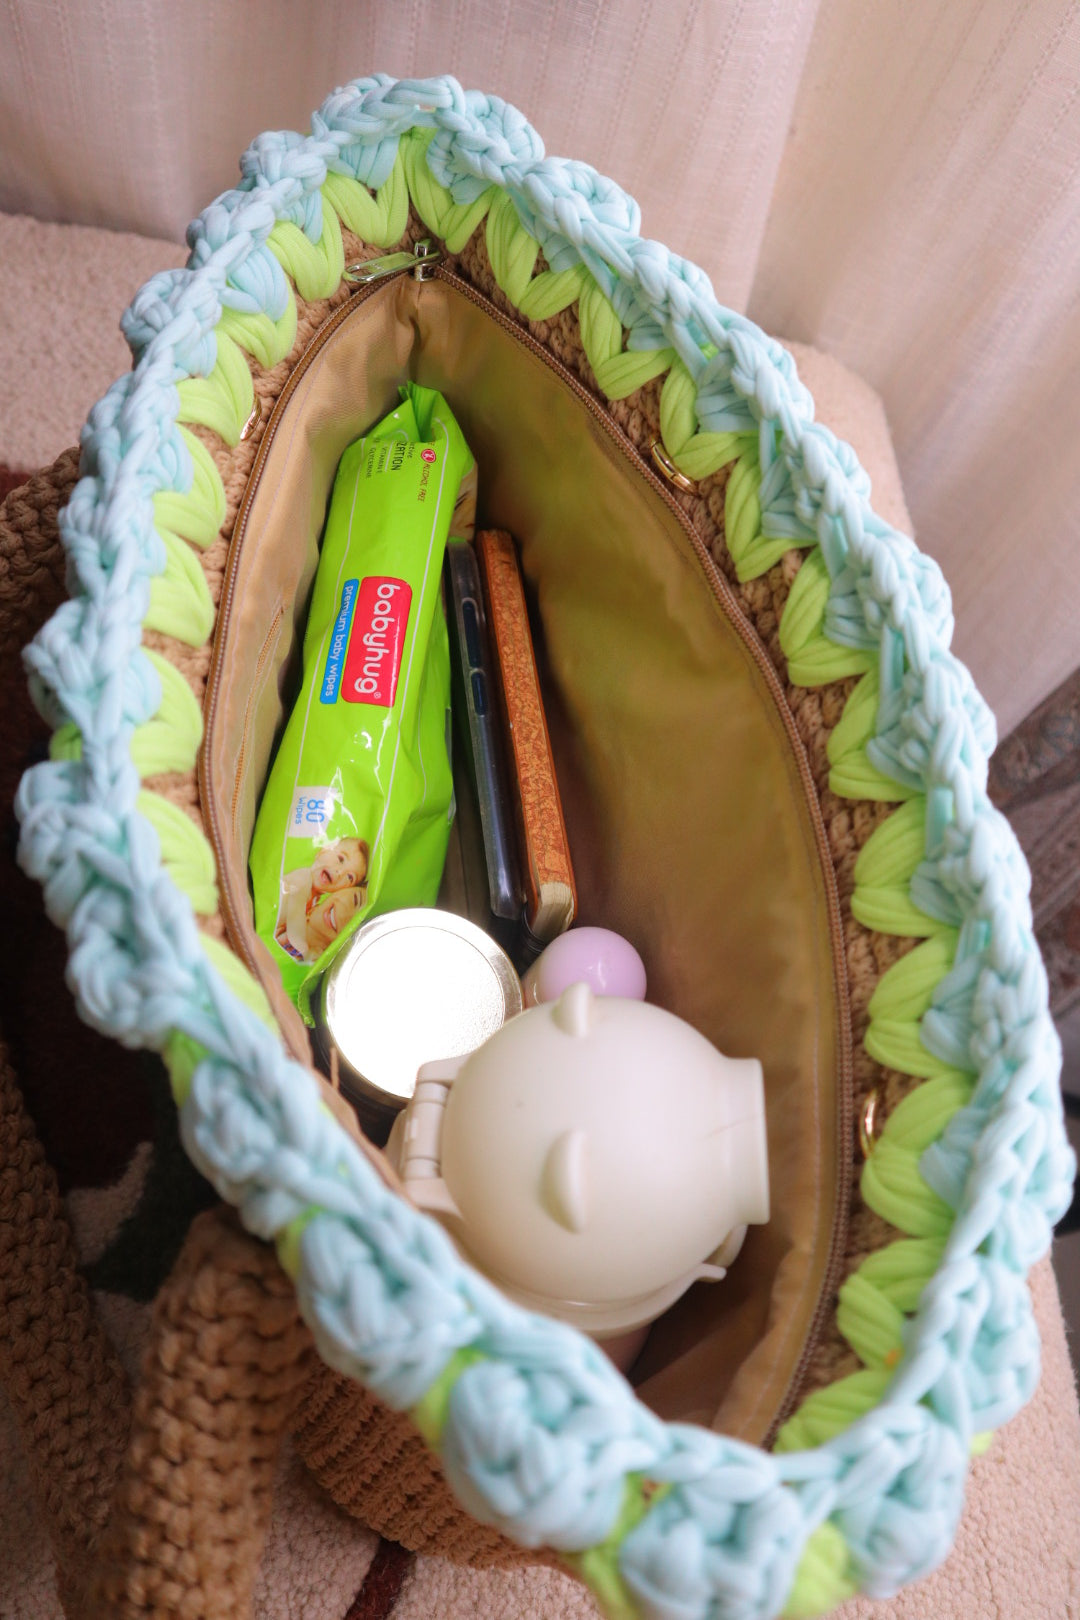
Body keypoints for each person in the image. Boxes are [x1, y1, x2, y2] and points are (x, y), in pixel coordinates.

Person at [274, 836, 369, 961]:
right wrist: (307, 952)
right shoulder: (303, 879)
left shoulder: (314, 901)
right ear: (323, 850)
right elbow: (295, 927)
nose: (339, 871)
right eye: (341, 859)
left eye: (350, 877)